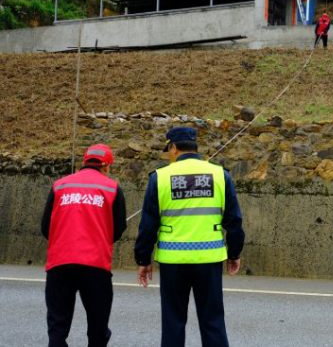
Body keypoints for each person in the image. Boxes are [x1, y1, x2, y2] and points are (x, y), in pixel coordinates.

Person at [135, 127, 245, 347]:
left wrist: (143, 259)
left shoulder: (160, 177)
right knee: (213, 322)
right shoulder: (220, 175)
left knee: (173, 323)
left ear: (174, 148)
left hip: (173, 261)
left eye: (168, 150)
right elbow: (233, 220)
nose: (169, 155)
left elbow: (148, 225)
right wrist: (234, 253)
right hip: (209, 259)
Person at [41, 144, 127, 347]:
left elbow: (46, 227)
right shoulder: (112, 188)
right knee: (97, 329)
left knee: (57, 329)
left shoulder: (60, 186)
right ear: (106, 166)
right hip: (95, 265)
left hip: (60, 263)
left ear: (84, 162)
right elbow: (118, 229)